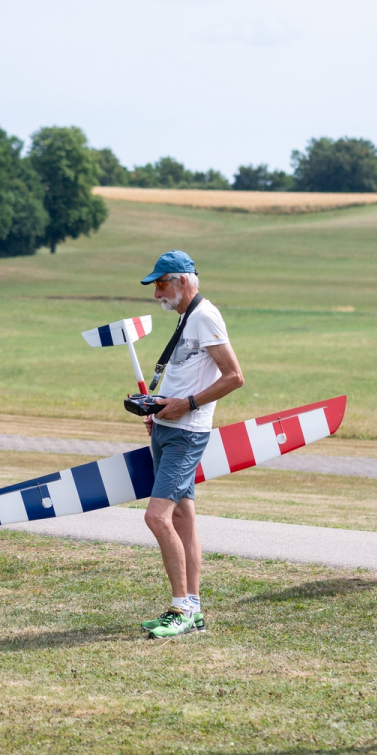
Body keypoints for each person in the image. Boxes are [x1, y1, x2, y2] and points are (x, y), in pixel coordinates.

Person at [134, 251, 245, 638]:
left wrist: (188, 405)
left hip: (186, 434)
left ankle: (180, 609)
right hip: (169, 428)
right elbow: (187, 375)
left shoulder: (205, 316)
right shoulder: (187, 317)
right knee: (182, 519)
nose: (157, 294)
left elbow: (234, 376)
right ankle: (193, 610)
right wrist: (158, 408)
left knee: (156, 518)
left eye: (160, 284)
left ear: (182, 280)